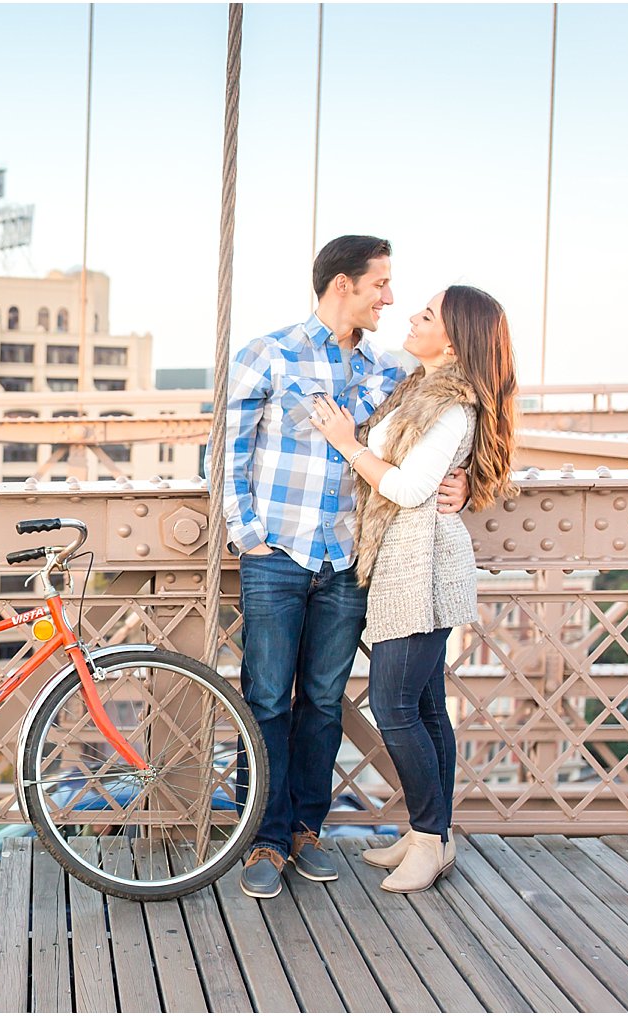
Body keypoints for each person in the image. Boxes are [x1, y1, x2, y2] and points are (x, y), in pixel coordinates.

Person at [213, 235, 470, 900]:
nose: (391, 297)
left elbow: (441, 430)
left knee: (324, 703)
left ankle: (305, 830)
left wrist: (467, 479)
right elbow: (225, 452)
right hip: (278, 556)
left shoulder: (390, 370)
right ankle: (261, 841)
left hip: (349, 561)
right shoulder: (268, 355)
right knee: (266, 700)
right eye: (380, 284)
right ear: (342, 287)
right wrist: (249, 535)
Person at [310, 284, 516, 892]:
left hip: (421, 568)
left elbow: (404, 488)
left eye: (426, 315)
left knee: (396, 707)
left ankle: (429, 839)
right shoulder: (420, 389)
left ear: (451, 341)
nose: (410, 315)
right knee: (425, 707)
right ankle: (435, 835)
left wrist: (347, 445)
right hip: (403, 560)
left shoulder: (453, 407)